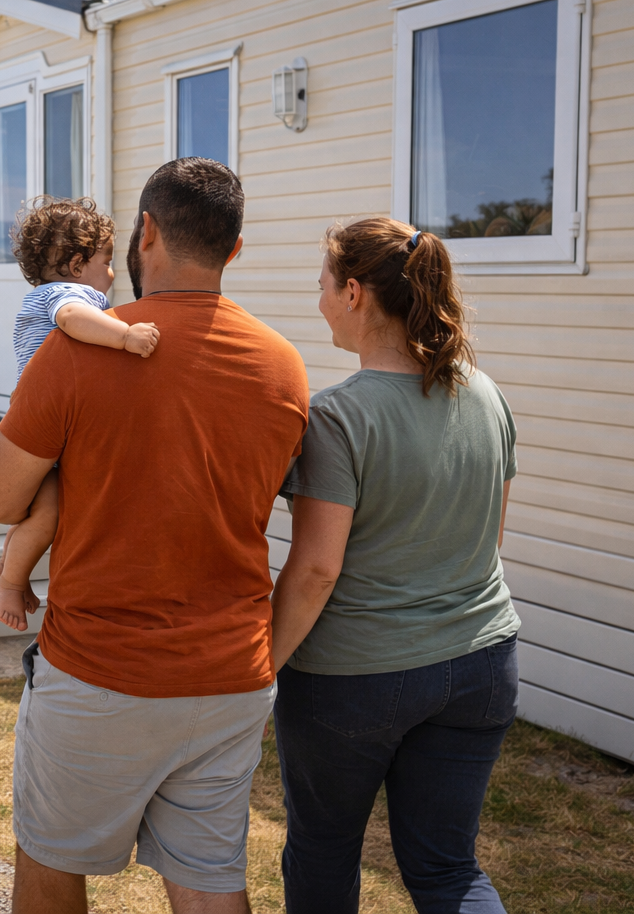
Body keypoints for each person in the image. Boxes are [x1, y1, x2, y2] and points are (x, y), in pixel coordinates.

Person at [0, 158, 310, 914]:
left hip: (102, 669)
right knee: (210, 880)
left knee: (54, 863)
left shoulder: (81, 348)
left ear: (146, 232)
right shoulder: (285, 368)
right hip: (231, 677)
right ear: (236, 248)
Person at [270, 217, 520, 914]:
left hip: (353, 681)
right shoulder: (485, 393)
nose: (316, 299)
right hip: (482, 664)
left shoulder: (336, 418)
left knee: (323, 851)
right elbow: (488, 539)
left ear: (354, 293)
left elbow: (316, 571)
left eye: (320, 285)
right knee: (448, 870)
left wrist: (258, 667)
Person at [0, 195, 161, 632]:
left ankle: (13, 567)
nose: (110, 272)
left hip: (40, 420)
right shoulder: (70, 295)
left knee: (46, 509)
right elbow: (71, 320)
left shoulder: (48, 292)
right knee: (48, 514)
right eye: (105, 261)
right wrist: (125, 336)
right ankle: (9, 581)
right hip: (47, 423)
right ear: (75, 264)